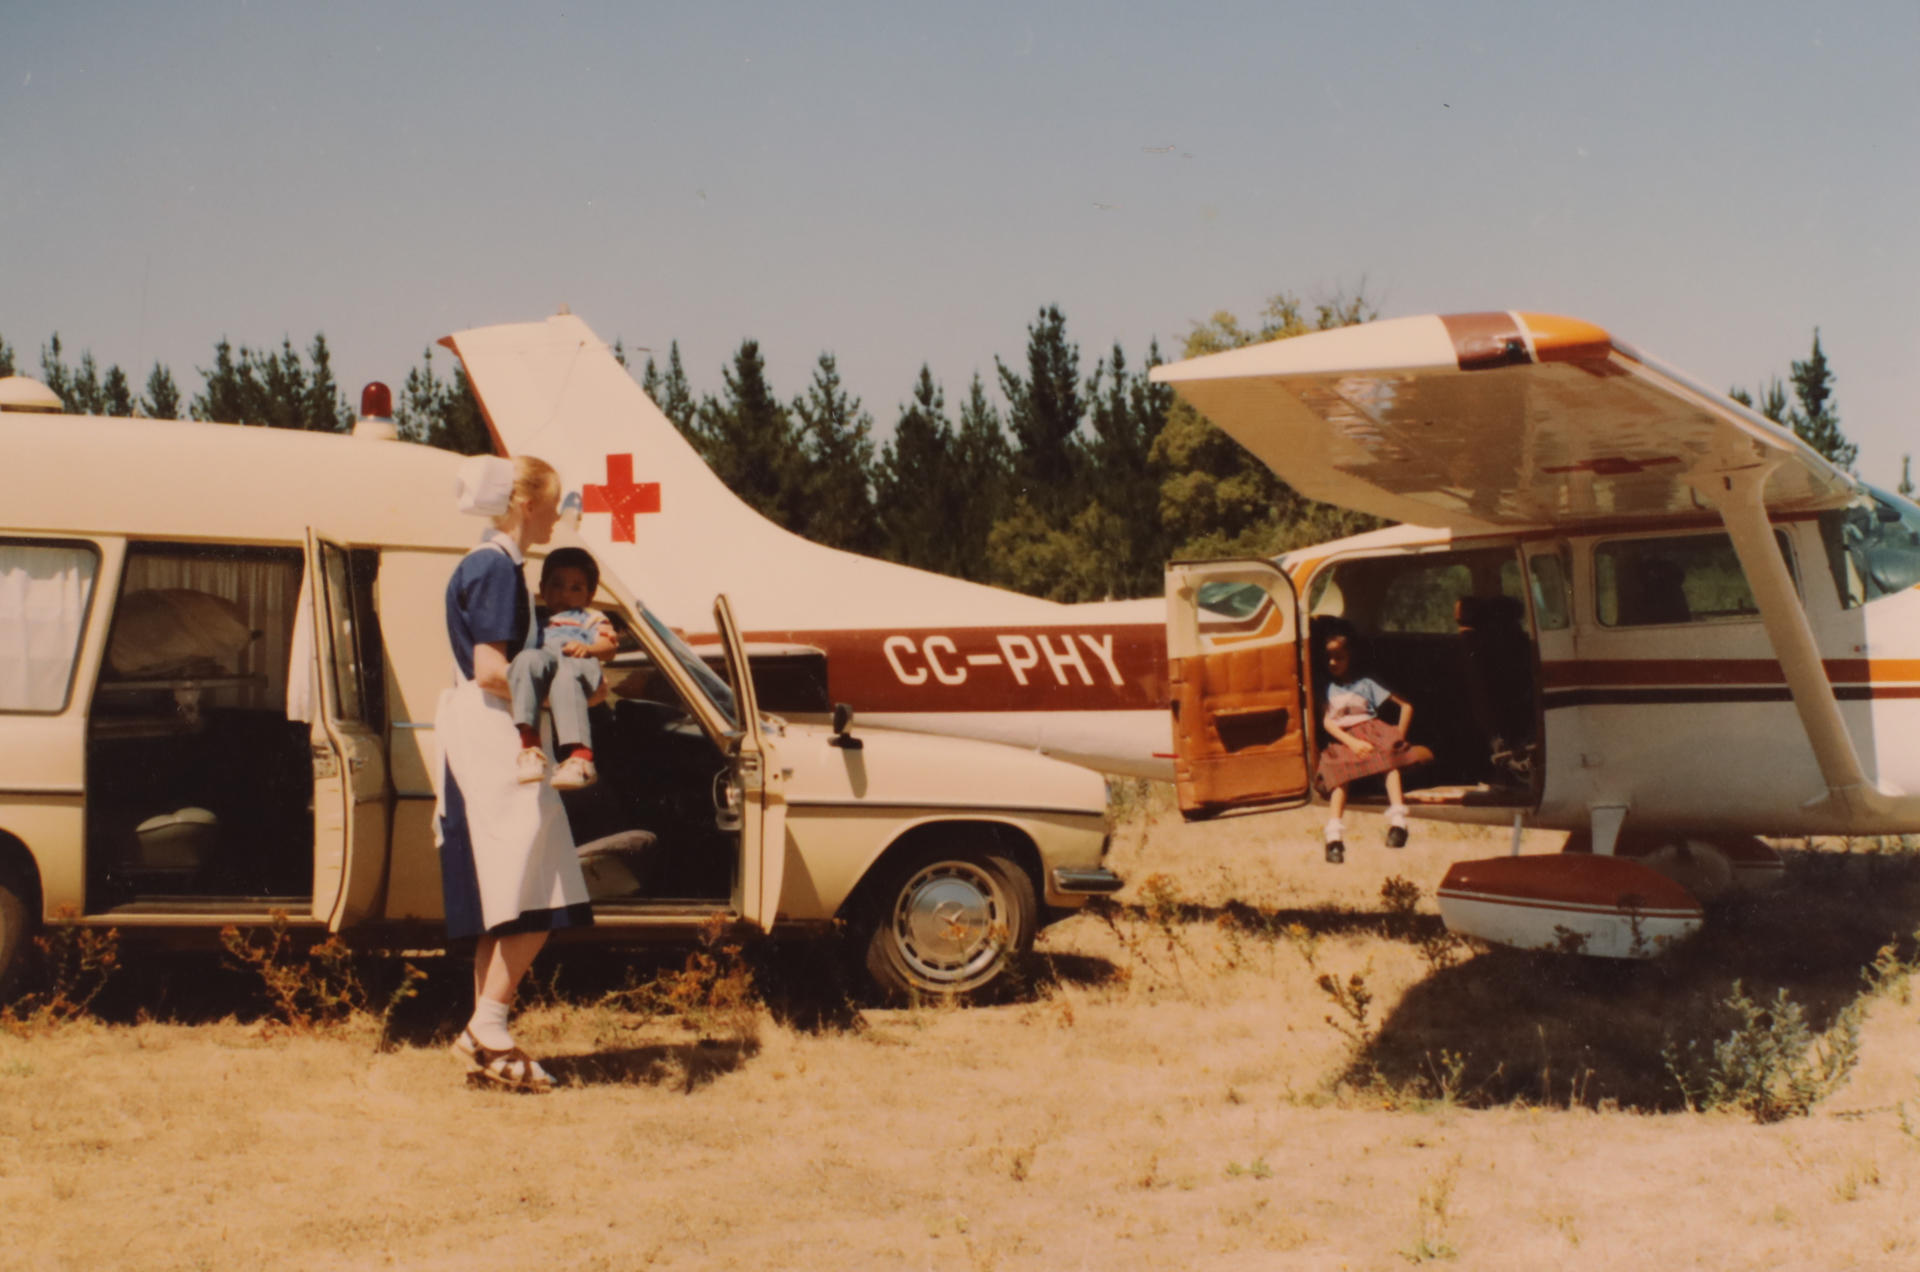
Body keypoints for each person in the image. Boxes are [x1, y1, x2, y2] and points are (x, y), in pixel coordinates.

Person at [434, 454, 594, 1092]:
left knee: (507, 895)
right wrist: (569, 695)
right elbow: (492, 669)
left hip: (483, 736)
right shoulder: (497, 568)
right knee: (538, 884)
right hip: (498, 740)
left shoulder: (488, 564)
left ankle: (487, 1038)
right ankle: (488, 1026)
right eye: (553, 502)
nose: (560, 512)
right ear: (526, 503)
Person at [1312, 629, 1432, 864]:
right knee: (1339, 775)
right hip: (1345, 738)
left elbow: (1406, 706)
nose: (1333, 662)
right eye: (1328, 658)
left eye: (1340, 657)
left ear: (1351, 656)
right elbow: (1328, 721)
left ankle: (1398, 822)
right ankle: (1334, 838)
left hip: (1372, 731)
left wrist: (1397, 737)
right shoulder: (1327, 688)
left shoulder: (1366, 684)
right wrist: (1352, 743)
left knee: (1389, 764)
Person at [508, 546, 617, 791]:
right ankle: (530, 746)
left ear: (590, 595)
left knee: (566, 677)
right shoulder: (537, 622)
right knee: (525, 660)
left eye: (575, 588)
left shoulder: (591, 617)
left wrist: (589, 649)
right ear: (543, 588)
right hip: (549, 665)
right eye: (556, 585)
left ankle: (580, 757)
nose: (564, 594)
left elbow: (608, 645)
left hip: (578, 666)